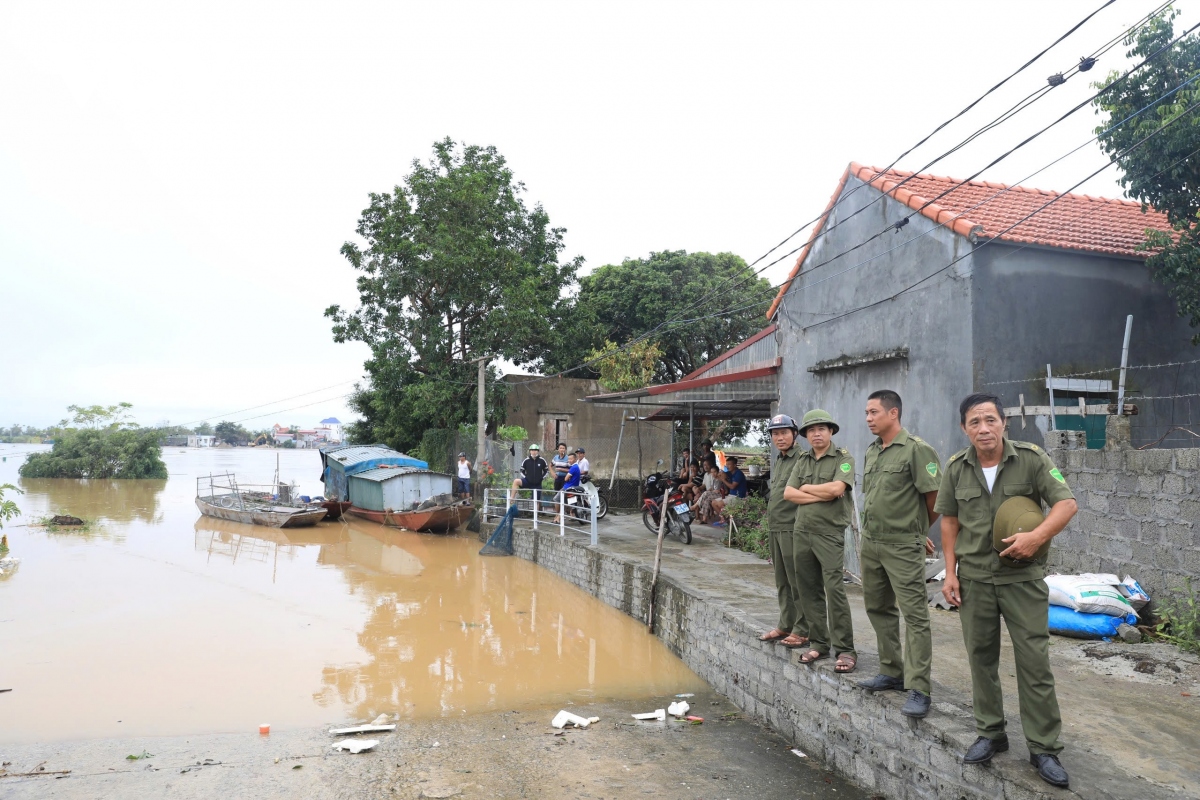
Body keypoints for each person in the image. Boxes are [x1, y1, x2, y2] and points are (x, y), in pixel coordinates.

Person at [936, 393, 1077, 789]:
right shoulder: (956, 468)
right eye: (974, 422)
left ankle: (1043, 747)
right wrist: (950, 573)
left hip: (1022, 579)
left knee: (1034, 662)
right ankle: (991, 734)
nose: (983, 428)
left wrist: (1036, 536)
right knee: (981, 660)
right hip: (975, 579)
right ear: (964, 428)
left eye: (990, 420)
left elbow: (1066, 504)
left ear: (1003, 423)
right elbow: (949, 522)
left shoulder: (1031, 459)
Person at [857, 389, 941, 720]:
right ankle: (891, 670)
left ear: (893, 413)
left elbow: (935, 500)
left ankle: (919, 687)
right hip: (872, 542)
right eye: (866, 412)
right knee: (878, 607)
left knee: (915, 615)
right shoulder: (873, 452)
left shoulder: (918, 451)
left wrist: (917, 531)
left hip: (902, 545)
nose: (868, 418)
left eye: (874, 412)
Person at [784, 409, 857, 673]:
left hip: (829, 533)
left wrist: (807, 489)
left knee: (834, 590)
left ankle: (846, 650)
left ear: (831, 431)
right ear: (805, 436)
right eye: (811, 430)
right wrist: (820, 494)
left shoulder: (843, 458)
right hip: (802, 532)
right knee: (808, 589)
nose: (816, 433)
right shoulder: (803, 461)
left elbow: (838, 489)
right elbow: (789, 493)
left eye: (821, 429)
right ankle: (819, 643)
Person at [756, 415, 809, 650]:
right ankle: (786, 623)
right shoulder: (780, 459)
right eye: (775, 434)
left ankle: (803, 628)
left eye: (784, 432)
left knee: (798, 580)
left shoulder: (803, 459)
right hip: (776, 527)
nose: (780, 437)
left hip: (792, 527)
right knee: (782, 581)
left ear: (794, 434)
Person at [553, 453, 583, 523]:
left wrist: (567, 477)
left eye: (571, 459)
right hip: (573, 487)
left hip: (567, 487)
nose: (569, 460)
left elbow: (566, 479)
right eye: (568, 459)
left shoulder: (573, 468)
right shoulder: (576, 467)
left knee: (556, 499)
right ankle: (560, 517)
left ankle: (557, 516)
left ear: (575, 459)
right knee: (566, 503)